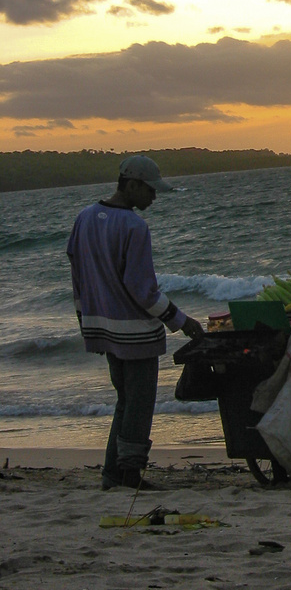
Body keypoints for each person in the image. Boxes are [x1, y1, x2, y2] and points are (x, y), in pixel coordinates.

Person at [67, 154, 205, 490]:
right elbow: (143, 291)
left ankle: (111, 472)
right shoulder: (134, 227)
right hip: (135, 332)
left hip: (102, 328)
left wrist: (84, 319)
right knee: (140, 403)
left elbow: (77, 273)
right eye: (150, 191)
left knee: (124, 401)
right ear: (131, 185)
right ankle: (129, 472)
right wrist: (182, 321)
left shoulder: (84, 218)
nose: (154, 197)